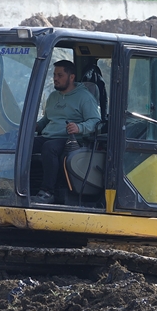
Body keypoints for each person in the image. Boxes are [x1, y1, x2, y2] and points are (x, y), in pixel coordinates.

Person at [32, 59, 101, 203]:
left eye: (60, 75)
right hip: (48, 135)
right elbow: (47, 119)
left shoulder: (84, 97)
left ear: (71, 77)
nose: (55, 79)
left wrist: (79, 127)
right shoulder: (53, 97)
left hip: (70, 139)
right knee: (23, 143)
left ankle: (48, 191)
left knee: (49, 148)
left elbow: (95, 121)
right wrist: (36, 126)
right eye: (54, 75)